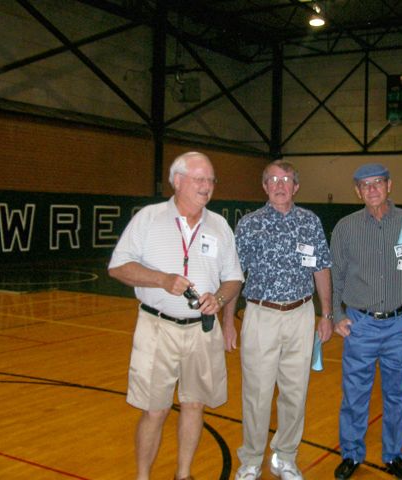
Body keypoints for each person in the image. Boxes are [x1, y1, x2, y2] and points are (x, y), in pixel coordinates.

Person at [108, 151, 244, 480]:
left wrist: (220, 298)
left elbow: (234, 278)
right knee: (155, 409)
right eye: (200, 179)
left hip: (202, 331)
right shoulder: (149, 219)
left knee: (195, 404)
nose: (207, 186)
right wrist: (162, 279)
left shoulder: (219, 225)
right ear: (178, 181)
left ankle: (183, 475)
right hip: (157, 328)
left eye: (211, 180)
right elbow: (118, 267)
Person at [223, 160, 333, 480]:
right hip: (260, 314)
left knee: (295, 392)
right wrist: (229, 322)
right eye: (273, 179)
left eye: (286, 179)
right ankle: (252, 459)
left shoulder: (310, 222)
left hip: (301, 315)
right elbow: (234, 276)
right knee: (256, 393)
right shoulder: (249, 224)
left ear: (296, 187)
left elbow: (321, 268)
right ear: (265, 186)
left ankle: (285, 456)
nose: (280, 184)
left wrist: (325, 314)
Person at [330, 163, 402, 480]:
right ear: (357, 191)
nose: (372, 189)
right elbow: (336, 276)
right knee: (355, 395)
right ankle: (351, 453)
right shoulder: (345, 227)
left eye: (378, 183)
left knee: (398, 396)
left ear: (389, 185)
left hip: (401, 326)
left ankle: (393, 454)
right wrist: (337, 315)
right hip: (361, 325)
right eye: (365, 184)